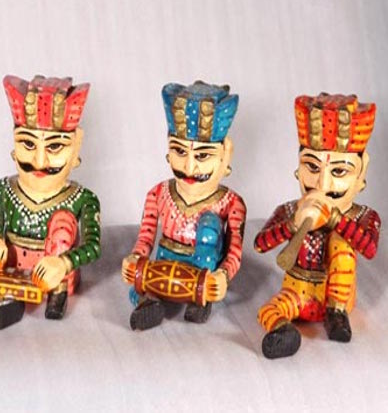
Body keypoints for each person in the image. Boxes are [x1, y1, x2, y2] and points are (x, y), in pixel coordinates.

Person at [256, 94, 380, 359]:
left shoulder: (363, 216)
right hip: (296, 293)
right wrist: (293, 224)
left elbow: (369, 248)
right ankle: (284, 332)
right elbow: (260, 244)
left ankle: (336, 315)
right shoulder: (291, 210)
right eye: (312, 166)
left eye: (339, 171)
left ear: (360, 176)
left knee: (341, 242)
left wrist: (334, 220)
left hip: (336, 296)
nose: (322, 184)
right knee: (267, 311)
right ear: (298, 169)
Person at [121, 81, 246, 330]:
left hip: (202, 275)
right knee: (138, 283)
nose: (189, 167)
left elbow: (234, 253)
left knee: (209, 226)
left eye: (203, 155)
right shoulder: (158, 193)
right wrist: (135, 258)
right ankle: (150, 303)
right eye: (179, 152)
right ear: (168, 151)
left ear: (225, 155)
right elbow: (145, 239)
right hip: (163, 266)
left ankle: (199, 300)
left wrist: (223, 275)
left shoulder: (231, 203)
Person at [0, 75, 101, 329]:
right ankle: (11, 296)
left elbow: (93, 247)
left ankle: (56, 294)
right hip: (13, 267)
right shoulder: (3, 189)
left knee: (63, 222)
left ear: (76, 148)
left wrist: (64, 262)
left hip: (57, 272)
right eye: (28, 143)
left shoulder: (84, 199)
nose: (39, 161)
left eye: (55, 147)